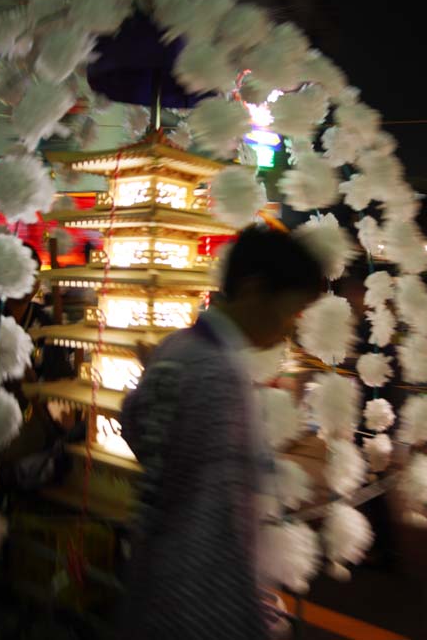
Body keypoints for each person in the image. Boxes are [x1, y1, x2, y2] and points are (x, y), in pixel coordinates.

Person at [117, 225, 323, 640]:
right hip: (197, 601)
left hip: (153, 574)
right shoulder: (218, 372)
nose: (289, 329)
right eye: (290, 310)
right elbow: (217, 517)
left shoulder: (177, 347)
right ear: (253, 289)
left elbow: (140, 427)